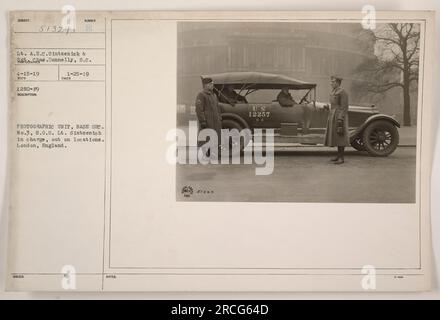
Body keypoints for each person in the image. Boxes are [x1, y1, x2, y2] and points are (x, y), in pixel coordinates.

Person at [323, 75, 349, 165]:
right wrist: (328, 108)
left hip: (339, 116)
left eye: (333, 81)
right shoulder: (334, 91)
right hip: (333, 115)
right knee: (336, 136)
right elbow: (334, 105)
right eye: (331, 81)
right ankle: (338, 156)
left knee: (340, 136)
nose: (331, 83)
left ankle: (341, 158)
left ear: (338, 83)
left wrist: (340, 119)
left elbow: (344, 107)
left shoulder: (342, 92)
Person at [195, 77, 223, 157]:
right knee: (207, 136)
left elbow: (217, 108)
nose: (212, 85)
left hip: (216, 120)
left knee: (215, 136)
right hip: (208, 121)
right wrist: (202, 121)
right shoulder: (201, 94)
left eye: (212, 84)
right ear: (205, 85)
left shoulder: (214, 95)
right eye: (210, 84)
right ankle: (206, 152)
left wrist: (219, 117)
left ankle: (212, 151)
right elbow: (199, 109)